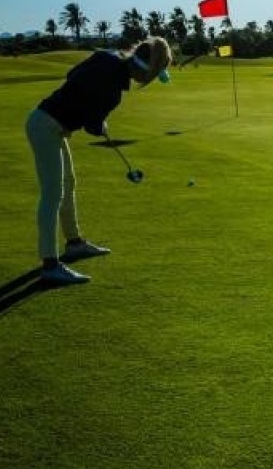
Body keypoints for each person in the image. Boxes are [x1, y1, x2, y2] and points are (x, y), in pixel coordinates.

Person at [27, 36, 173, 285]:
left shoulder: (107, 56)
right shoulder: (113, 91)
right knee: (52, 194)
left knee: (68, 183)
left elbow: (73, 73)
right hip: (46, 126)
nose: (143, 82)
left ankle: (74, 243)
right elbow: (92, 126)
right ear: (145, 69)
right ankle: (50, 265)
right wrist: (98, 121)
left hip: (50, 123)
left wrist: (88, 110)